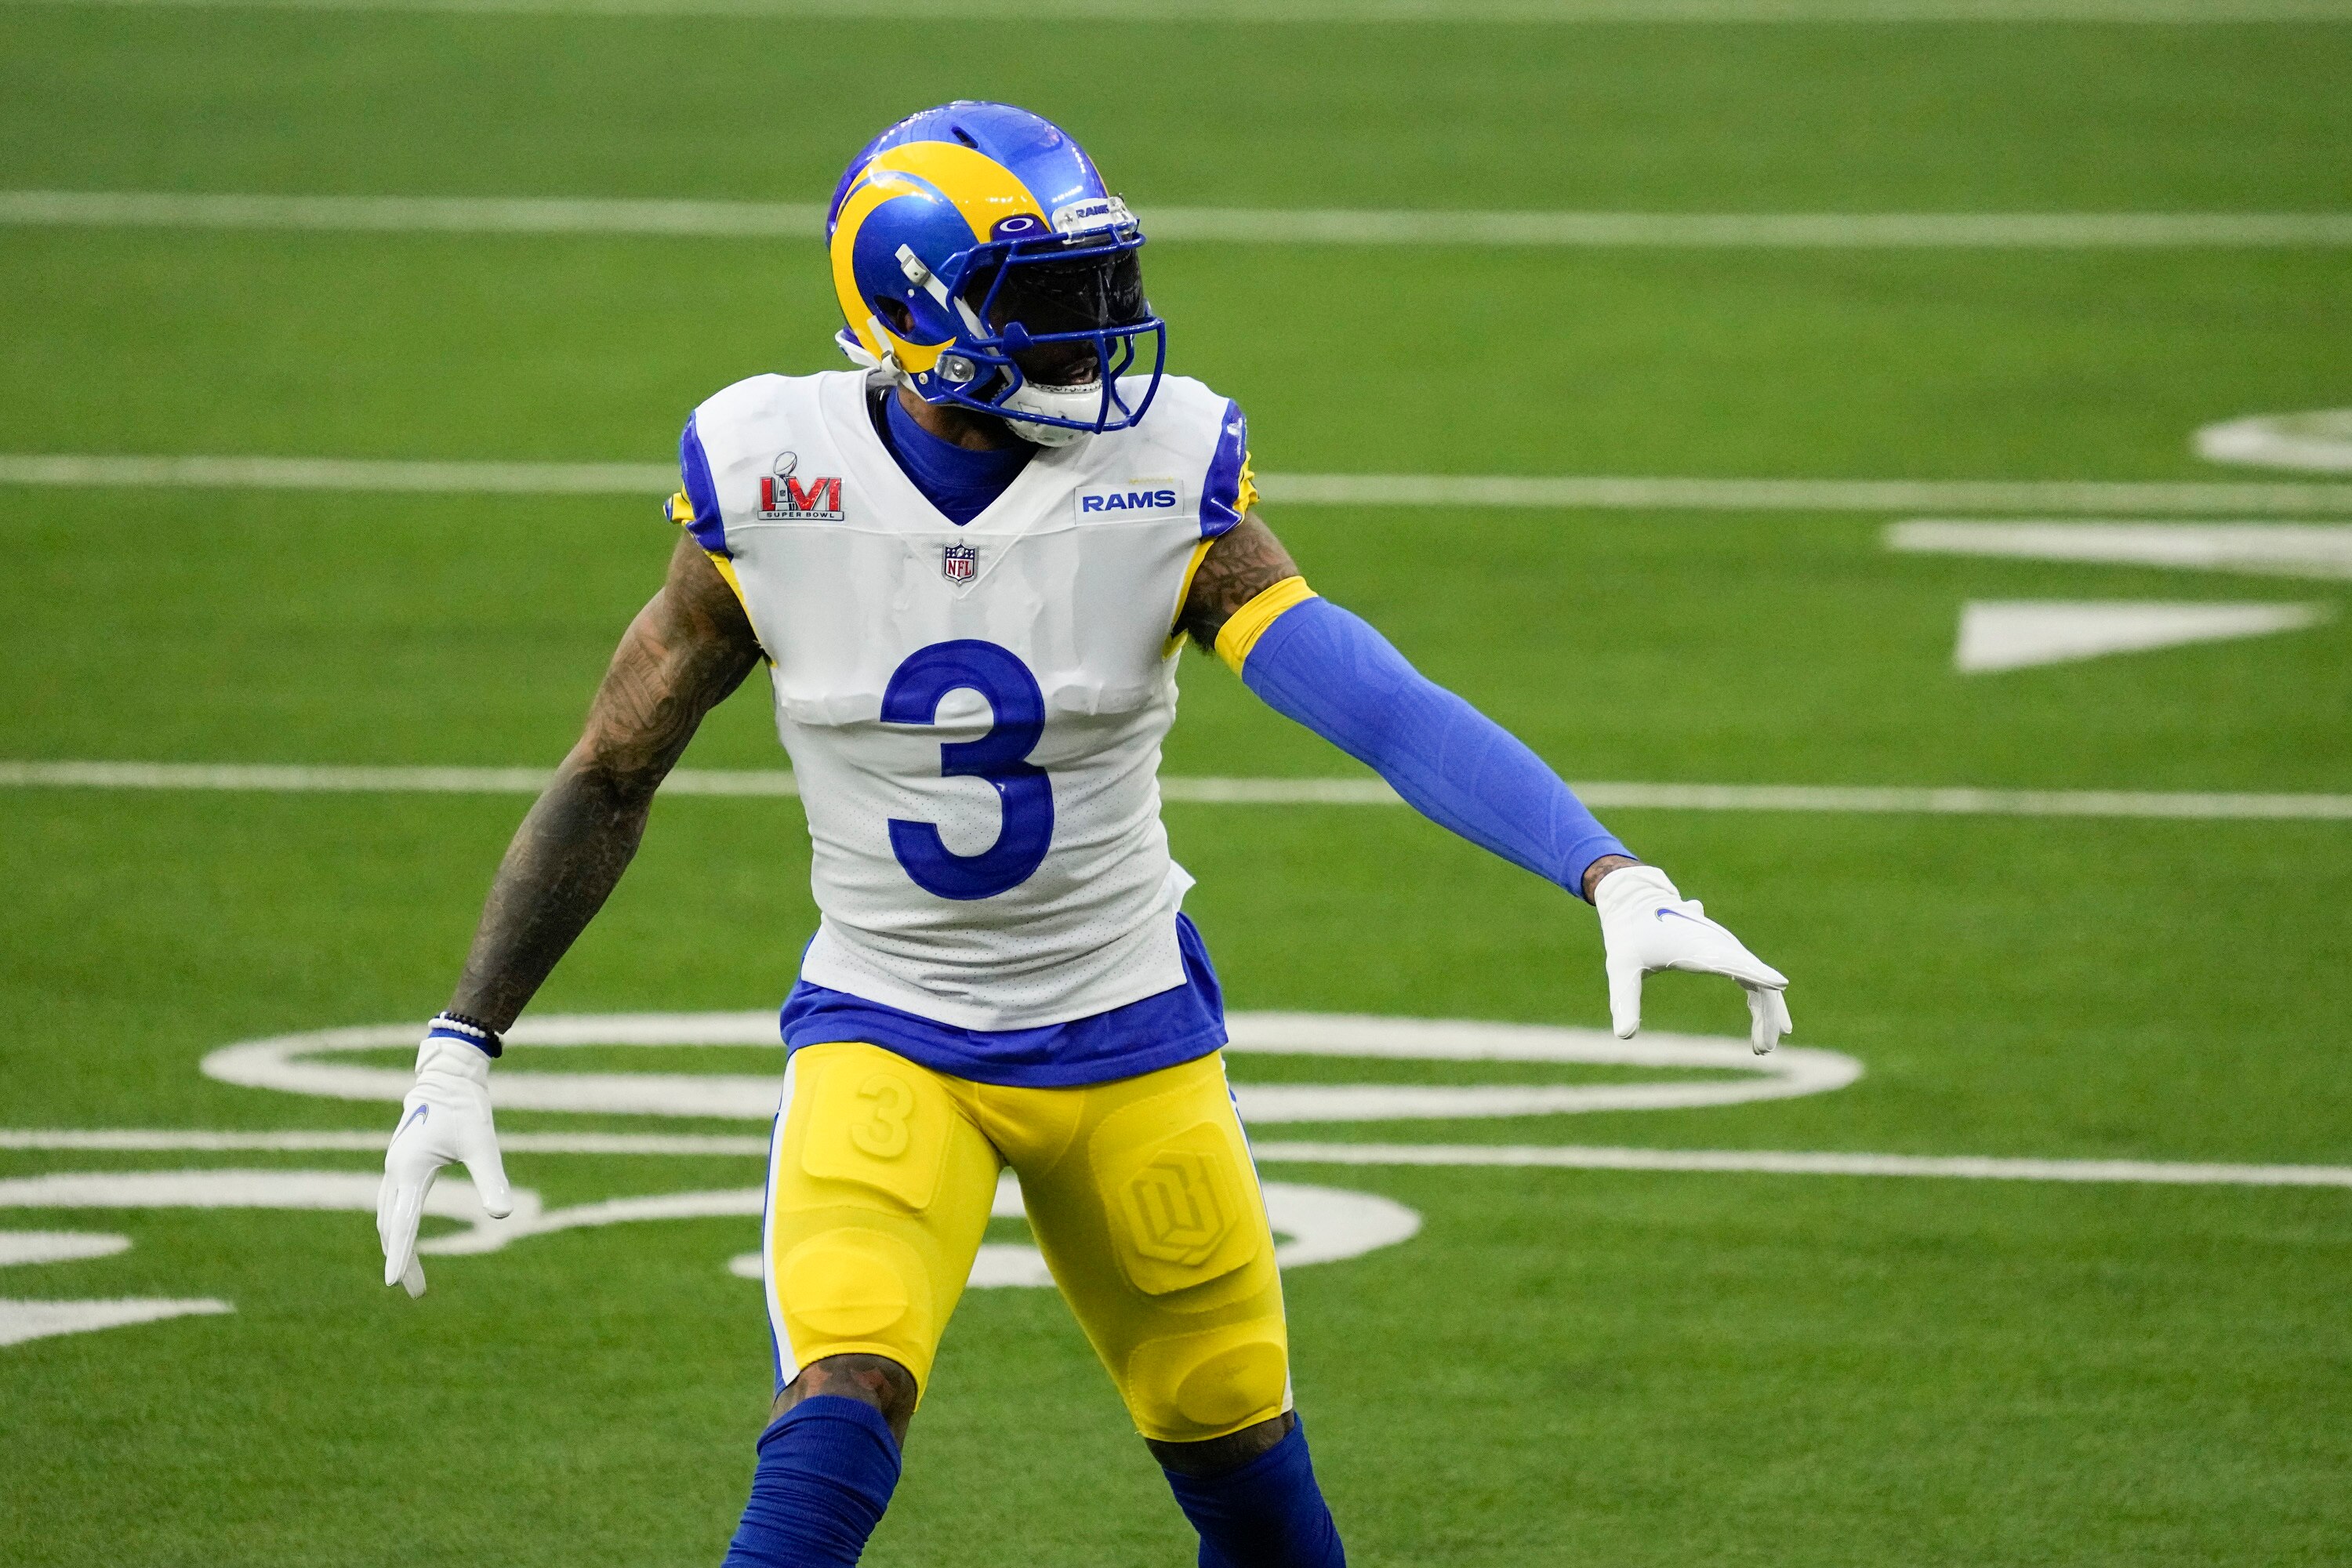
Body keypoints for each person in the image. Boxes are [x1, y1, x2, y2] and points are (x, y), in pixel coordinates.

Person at [376, 101, 1791, 1568]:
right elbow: (613, 769)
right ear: (914, 320)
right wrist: (461, 1040)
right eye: (1048, 301)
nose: (1100, 335)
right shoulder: (773, 479)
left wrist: (1607, 866)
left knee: (1249, 1473)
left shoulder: (1163, 479)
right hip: (889, 1025)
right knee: (832, 1421)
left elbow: (1365, 693)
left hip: (1126, 1038)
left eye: (1103, 286)